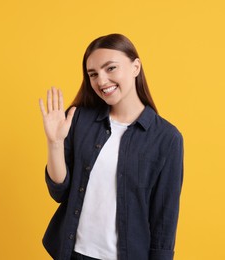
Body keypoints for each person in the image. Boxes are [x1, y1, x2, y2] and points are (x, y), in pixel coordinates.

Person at [38, 33, 184, 260]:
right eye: (93, 74)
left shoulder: (166, 138)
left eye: (111, 68)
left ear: (136, 66)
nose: (101, 81)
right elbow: (59, 192)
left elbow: (164, 220)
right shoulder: (79, 119)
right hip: (71, 253)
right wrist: (55, 144)